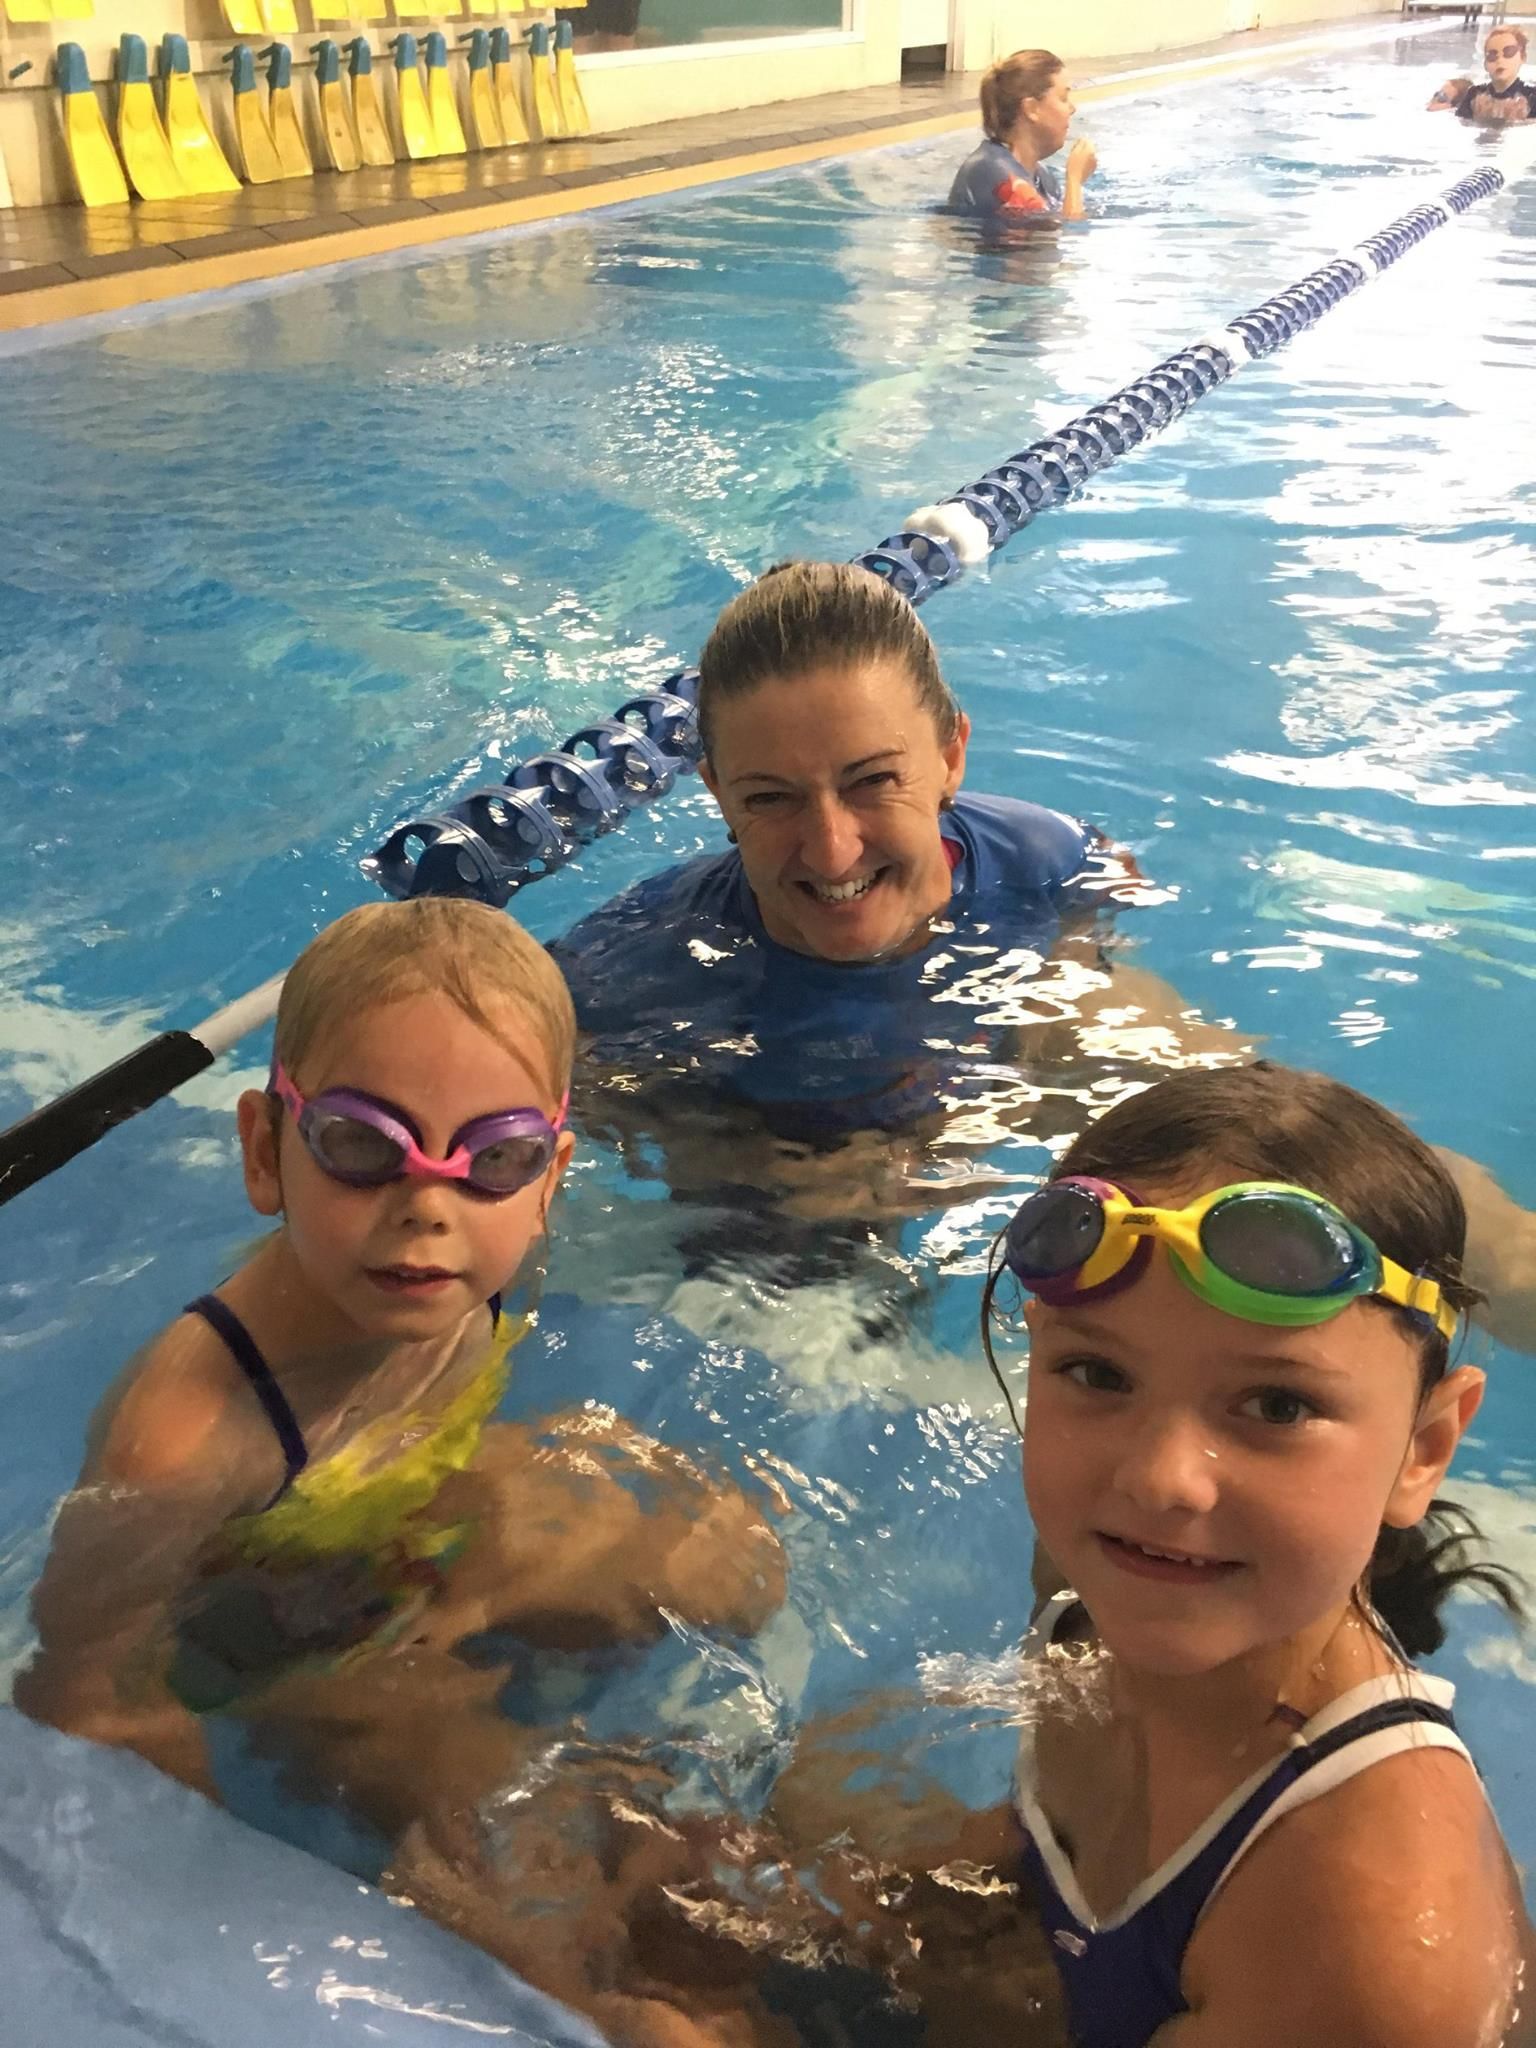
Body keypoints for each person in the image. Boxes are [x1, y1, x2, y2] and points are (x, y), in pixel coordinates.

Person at [764, 1063, 1533, 2044]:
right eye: (1097, 1372)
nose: (1161, 1477)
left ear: (1423, 1447)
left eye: (1278, 1403)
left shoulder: (1367, 1940)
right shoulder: (1109, 1574)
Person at [16, 898, 784, 1822]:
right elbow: (85, 1696)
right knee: (495, 1812)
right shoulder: (183, 1442)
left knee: (730, 1563)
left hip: (399, 1532)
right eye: (361, 1144)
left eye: (497, 1157)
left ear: (550, 1179)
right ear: (264, 1152)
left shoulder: (497, 1260)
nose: (430, 1204)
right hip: (267, 1646)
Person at [947, 49, 1097, 224]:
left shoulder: (1043, 179)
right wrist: (1074, 180)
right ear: (1032, 109)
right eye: (1063, 98)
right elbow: (1066, 234)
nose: (1072, 109)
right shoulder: (992, 171)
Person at [1428, 25, 1536, 122]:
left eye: (1508, 52)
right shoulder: (1474, 95)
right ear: (1485, 64)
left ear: (1523, 57)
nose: (1500, 60)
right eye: (1492, 55)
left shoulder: (1532, 96)